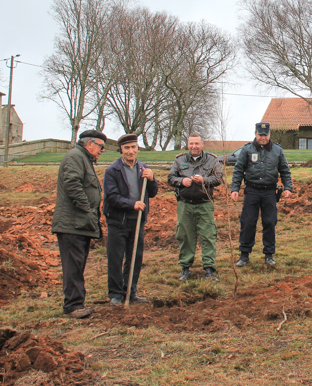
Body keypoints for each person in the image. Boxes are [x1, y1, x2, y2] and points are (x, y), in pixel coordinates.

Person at [51, 129, 107, 319]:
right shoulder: (76, 157)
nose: (102, 150)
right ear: (89, 143)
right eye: (101, 146)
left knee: (77, 263)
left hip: (79, 224)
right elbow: (73, 185)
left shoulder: (84, 159)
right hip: (72, 224)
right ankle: (73, 306)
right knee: (73, 265)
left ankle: (76, 302)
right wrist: (88, 210)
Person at [103, 134, 159, 305]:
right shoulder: (112, 171)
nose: (130, 151)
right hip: (118, 221)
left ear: (137, 149)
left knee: (135, 257)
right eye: (127, 148)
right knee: (116, 257)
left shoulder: (143, 169)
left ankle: (130, 291)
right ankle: (115, 294)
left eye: (133, 147)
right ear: (121, 150)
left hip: (137, 221)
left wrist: (152, 179)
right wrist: (131, 204)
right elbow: (112, 197)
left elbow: (153, 192)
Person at [230, 122, 293, 266]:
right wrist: (235, 189)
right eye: (260, 134)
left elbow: (285, 170)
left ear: (269, 134)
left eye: (265, 134)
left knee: (270, 222)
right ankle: (244, 255)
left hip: (270, 192)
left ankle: (269, 255)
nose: (263, 137)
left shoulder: (277, 150)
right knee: (247, 222)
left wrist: (288, 187)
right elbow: (238, 171)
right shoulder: (247, 150)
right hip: (251, 191)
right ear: (255, 134)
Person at [168, 132, 223, 281]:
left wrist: (204, 180)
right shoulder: (180, 160)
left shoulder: (212, 160)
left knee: (208, 236)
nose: (194, 146)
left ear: (202, 144)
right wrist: (181, 181)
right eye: (191, 144)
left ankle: (209, 269)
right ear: (187, 144)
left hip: (205, 204)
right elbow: (171, 178)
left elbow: (218, 178)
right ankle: (185, 268)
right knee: (185, 236)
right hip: (185, 205)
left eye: (197, 144)